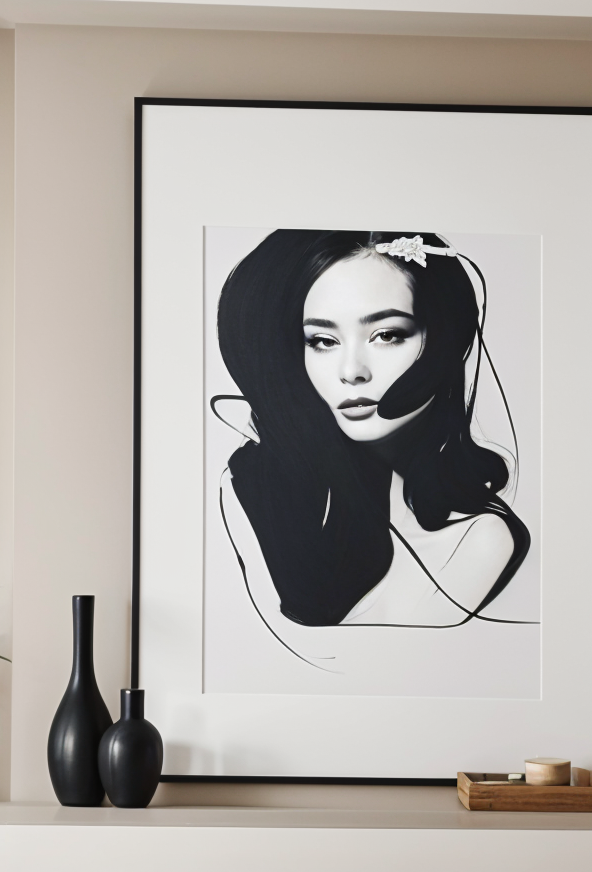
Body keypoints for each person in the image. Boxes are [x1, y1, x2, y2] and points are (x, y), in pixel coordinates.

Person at [212, 229, 531, 637]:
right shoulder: (252, 491)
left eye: (387, 335)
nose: (351, 372)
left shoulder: (481, 540)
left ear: (446, 337)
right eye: (322, 340)